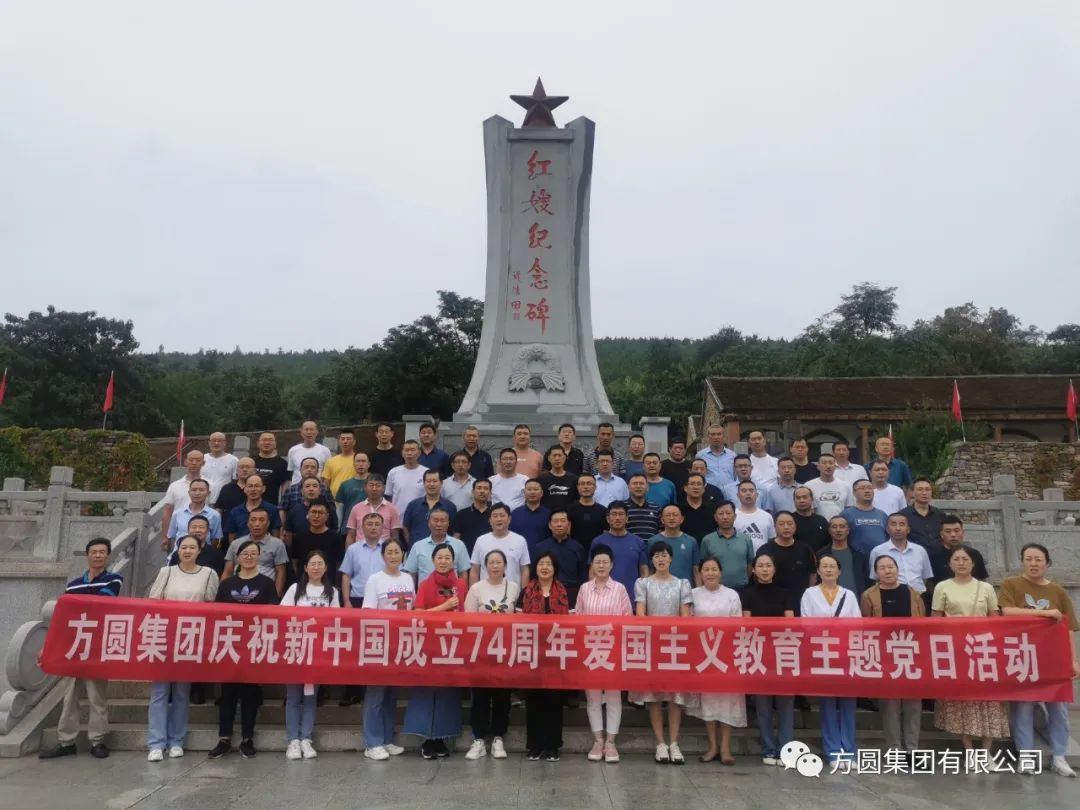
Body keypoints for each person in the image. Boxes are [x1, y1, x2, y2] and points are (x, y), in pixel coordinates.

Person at [998, 543, 1080, 778]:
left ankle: (1059, 756)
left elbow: (1068, 629)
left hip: (1053, 658)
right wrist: (1045, 613)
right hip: (1022, 656)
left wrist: (1073, 660)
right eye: (1029, 559)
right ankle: (1025, 757)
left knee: (1059, 709)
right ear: (1022, 561)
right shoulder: (1011, 585)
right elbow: (1007, 612)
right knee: (1023, 707)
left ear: (1047, 563)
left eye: (1038, 559)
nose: (1033, 563)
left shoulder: (1058, 592)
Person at [39, 538, 122, 760]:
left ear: (108, 556)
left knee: (97, 696)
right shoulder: (73, 584)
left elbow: (103, 604)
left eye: (102, 552)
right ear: (87, 555)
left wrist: (79, 605)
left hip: (97, 647)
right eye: (94, 552)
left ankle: (98, 741)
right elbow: (64, 616)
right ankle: (66, 741)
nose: (97, 555)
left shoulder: (114, 580)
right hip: (74, 647)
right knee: (69, 697)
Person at [145, 534, 219, 762]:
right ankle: (156, 743)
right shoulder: (166, 572)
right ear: (177, 550)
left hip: (190, 639)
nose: (187, 551)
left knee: (181, 692)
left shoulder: (208, 574)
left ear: (199, 551)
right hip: (164, 638)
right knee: (159, 693)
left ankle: (176, 740)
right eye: (183, 547)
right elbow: (153, 601)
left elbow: (210, 605)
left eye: (192, 548)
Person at [930, 545, 1010, 752]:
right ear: (950, 563)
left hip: (983, 650)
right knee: (963, 701)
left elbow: (996, 619)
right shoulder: (942, 587)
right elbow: (935, 621)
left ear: (973, 563)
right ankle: (969, 750)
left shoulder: (986, 588)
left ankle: (986, 752)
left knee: (988, 701)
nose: (961, 563)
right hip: (956, 651)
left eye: (966, 559)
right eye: (957, 559)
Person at [208, 539, 278, 760]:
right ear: (237, 557)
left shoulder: (266, 584)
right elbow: (217, 614)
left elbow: (273, 614)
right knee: (227, 694)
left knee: (249, 694)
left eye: (253, 553)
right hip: (230, 644)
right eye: (244, 553)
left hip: (254, 645)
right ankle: (224, 738)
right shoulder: (227, 584)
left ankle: (247, 738)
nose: (248, 557)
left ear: (259, 556)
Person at [631, 542, 693, 764]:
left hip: (675, 645)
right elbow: (640, 614)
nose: (661, 559)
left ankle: (674, 743)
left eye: (664, 555)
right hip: (652, 645)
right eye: (656, 556)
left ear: (671, 559)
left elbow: (685, 616)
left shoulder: (682, 584)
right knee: (654, 697)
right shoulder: (643, 583)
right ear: (652, 560)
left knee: (676, 697)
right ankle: (660, 743)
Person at [405, 544, 467, 758]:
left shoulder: (461, 584)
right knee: (427, 692)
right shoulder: (425, 584)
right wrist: (445, 607)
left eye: (447, 557)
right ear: (432, 561)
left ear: (453, 561)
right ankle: (426, 739)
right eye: (439, 557)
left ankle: (441, 738)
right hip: (429, 645)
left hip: (452, 646)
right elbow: (419, 613)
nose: (443, 561)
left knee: (448, 693)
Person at [860, 555, 925, 753]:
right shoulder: (869, 595)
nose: (887, 571)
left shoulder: (912, 593)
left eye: (891, 567)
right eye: (882, 567)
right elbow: (865, 625)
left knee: (913, 705)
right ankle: (895, 748)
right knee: (890, 706)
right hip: (884, 656)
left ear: (897, 569)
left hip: (910, 653)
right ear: (876, 572)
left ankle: (913, 748)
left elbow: (923, 621)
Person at [800, 556, 861, 762]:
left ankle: (849, 751)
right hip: (822, 653)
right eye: (824, 566)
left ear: (839, 571)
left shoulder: (849, 595)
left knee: (847, 704)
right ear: (818, 571)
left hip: (845, 653)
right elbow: (806, 623)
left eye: (832, 566)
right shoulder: (809, 594)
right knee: (827, 704)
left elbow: (857, 624)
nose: (828, 570)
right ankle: (833, 750)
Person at [281, 549, 340, 760]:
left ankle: (306, 738)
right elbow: (282, 616)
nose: (316, 567)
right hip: (296, 649)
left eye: (320, 564)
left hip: (318, 652)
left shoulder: (332, 592)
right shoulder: (295, 589)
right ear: (305, 567)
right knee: (294, 697)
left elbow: (336, 622)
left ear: (325, 568)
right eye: (312, 564)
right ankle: (292, 741)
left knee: (310, 697)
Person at [575, 544, 632, 763]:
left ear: (612, 565)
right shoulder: (584, 589)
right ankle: (597, 740)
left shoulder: (619, 589)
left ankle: (611, 742)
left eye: (605, 562)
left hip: (613, 650)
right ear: (592, 564)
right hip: (590, 650)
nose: (601, 566)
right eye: (597, 562)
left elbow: (627, 619)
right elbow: (578, 618)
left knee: (613, 696)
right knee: (593, 697)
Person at [464, 549, 521, 760]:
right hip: (481, 652)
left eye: (499, 562)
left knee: (502, 697)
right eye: (491, 562)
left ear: (505, 566)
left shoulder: (514, 588)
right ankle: (478, 739)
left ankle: (498, 737)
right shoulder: (476, 588)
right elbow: (468, 620)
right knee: (479, 697)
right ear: (485, 565)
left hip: (505, 652)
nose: (495, 566)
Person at [740, 552, 796, 765]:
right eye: (760, 565)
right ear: (753, 569)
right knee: (763, 706)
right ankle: (768, 749)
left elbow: (789, 621)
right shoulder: (747, 594)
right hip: (759, 652)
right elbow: (747, 622)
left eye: (768, 565)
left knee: (785, 705)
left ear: (774, 569)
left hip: (784, 651)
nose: (764, 569)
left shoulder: (785, 593)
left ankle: (787, 749)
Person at [687, 557, 744, 764]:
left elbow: (738, 624)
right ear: (700, 573)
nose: (710, 573)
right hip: (703, 654)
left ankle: (726, 748)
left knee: (727, 700)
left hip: (726, 653)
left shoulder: (731, 595)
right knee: (709, 700)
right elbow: (688, 623)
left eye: (714, 569)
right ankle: (712, 746)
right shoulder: (692, 595)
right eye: (706, 569)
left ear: (721, 572)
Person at [361, 537, 414, 760]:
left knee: (391, 695)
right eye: (390, 552)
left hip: (401, 644)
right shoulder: (375, 580)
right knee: (376, 694)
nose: (394, 556)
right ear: (383, 555)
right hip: (380, 643)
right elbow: (368, 612)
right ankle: (372, 743)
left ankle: (387, 738)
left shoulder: (409, 578)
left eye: (398, 551)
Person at [521, 550, 570, 761]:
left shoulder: (563, 591)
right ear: (536, 567)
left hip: (556, 652)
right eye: (541, 563)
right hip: (532, 651)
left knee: (554, 701)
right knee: (534, 700)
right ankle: (535, 744)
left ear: (554, 568)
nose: (544, 567)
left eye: (548, 564)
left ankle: (552, 745)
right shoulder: (527, 590)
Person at [222, 508, 288, 596]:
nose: (257, 524)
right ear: (248, 523)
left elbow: (280, 573)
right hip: (237, 591)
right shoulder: (236, 543)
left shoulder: (278, 544)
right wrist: (222, 593)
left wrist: (275, 597)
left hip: (264, 592)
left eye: (261, 520)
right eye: (253, 520)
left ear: (268, 523)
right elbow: (227, 571)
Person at [758, 512, 817, 610]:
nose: (786, 527)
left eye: (790, 524)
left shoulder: (805, 549)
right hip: (772, 600)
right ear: (775, 527)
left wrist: (808, 593)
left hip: (799, 600)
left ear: (795, 526)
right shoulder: (765, 550)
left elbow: (813, 573)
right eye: (781, 524)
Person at [592, 503, 648, 601]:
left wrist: (642, 596)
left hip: (632, 597)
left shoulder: (638, 542)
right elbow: (592, 572)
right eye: (614, 514)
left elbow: (644, 571)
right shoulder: (598, 542)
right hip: (604, 599)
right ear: (608, 519)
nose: (617, 518)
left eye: (621, 514)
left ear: (627, 518)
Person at [869, 514, 934, 597]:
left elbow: (925, 577)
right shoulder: (878, 551)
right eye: (893, 524)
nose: (898, 528)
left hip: (919, 596)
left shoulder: (920, 550)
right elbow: (876, 579)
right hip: (890, 596)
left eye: (902, 524)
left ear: (908, 529)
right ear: (887, 529)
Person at [403, 507, 470, 585]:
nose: (439, 524)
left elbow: (463, 573)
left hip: (451, 594)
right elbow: (412, 574)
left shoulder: (459, 545)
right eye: (435, 520)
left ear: (448, 523)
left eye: (442, 521)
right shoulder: (418, 546)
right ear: (429, 523)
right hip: (425, 594)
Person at [533, 510, 587, 605]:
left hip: (571, 593)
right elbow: (534, 574)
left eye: (562, 521)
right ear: (550, 525)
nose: (559, 524)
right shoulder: (540, 547)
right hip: (545, 593)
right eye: (555, 521)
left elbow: (582, 575)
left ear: (569, 524)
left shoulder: (578, 547)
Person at [469, 503, 530, 587]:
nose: (499, 519)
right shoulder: (481, 540)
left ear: (509, 519)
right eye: (495, 516)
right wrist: (473, 592)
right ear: (490, 520)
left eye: (502, 515)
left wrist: (524, 594)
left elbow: (524, 569)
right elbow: (475, 569)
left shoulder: (520, 540)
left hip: (512, 594)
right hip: (485, 594)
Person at [700, 501, 755, 589]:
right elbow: (703, 566)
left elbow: (750, 564)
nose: (725, 517)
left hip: (742, 588)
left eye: (728, 513)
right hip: (716, 589)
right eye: (721, 514)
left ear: (735, 516)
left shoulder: (746, 539)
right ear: (715, 517)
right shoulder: (707, 540)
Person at [164, 477, 223, 552]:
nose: (197, 493)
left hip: (203, 556)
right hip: (180, 555)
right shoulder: (177, 513)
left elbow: (216, 539)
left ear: (208, 493)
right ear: (189, 492)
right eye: (194, 490)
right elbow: (172, 537)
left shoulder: (214, 515)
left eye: (201, 490)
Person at [401, 469, 458, 546]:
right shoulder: (413, 505)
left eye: (434, 481)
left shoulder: (450, 506)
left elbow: (454, 530)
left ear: (441, 483)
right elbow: (406, 527)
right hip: (417, 550)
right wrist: (412, 544)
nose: (431, 484)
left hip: (441, 552)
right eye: (428, 481)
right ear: (424, 483)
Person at [341, 514, 387, 607]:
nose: (373, 527)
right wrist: (346, 601)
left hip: (383, 598)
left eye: (377, 524)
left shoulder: (389, 549)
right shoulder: (353, 549)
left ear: (382, 528)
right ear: (362, 527)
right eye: (369, 524)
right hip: (358, 598)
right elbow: (346, 576)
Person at [929, 514, 989, 586]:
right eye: (948, 531)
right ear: (941, 534)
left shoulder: (974, 554)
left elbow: (981, 580)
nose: (953, 535)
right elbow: (930, 583)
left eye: (956, 531)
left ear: (963, 532)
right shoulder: (933, 556)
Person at [290, 501, 343, 583]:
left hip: (328, 585)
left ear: (327, 516)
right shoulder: (299, 537)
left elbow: (338, 564)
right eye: (313, 512)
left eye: (321, 513)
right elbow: (295, 562)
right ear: (308, 514)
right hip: (303, 584)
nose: (316, 516)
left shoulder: (335, 538)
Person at [648, 504, 701, 584]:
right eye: (668, 515)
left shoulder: (691, 541)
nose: (671, 518)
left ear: (682, 519)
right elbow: (650, 569)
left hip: (685, 590)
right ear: (662, 520)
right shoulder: (653, 541)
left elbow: (696, 570)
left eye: (675, 515)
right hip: (660, 590)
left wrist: (698, 591)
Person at [159, 450, 207, 537]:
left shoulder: (211, 485)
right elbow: (167, 512)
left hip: (202, 534)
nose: (194, 463)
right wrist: (165, 536)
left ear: (203, 463)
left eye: (198, 460)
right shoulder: (174, 486)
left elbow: (214, 510)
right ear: (185, 462)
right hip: (178, 534)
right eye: (191, 460)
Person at [817, 516, 869, 595]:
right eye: (834, 527)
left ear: (848, 530)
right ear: (829, 531)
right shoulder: (820, 555)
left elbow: (867, 581)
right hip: (828, 601)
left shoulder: (859, 555)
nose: (838, 530)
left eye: (842, 527)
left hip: (855, 602)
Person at [278, 458, 335, 531]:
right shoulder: (291, 490)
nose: (309, 469)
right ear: (300, 469)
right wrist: (283, 528)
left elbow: (332, 510)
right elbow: (283, 509)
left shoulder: (324, 490)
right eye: (306, 467)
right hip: (295, 531)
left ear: (318, 471)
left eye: (313, 467)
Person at [223, 473, 281, 541]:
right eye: (250, 486)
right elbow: (232, 538)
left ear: (263, 489)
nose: (253, 489)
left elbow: (276, 536)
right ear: (245, 489)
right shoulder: (235, 512)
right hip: (242, 550)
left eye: (257, 486)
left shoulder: (273, 510)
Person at [839, 480, 889, 557]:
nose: (867, 491)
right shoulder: (846, 514)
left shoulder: (882, 515)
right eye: (862, 488)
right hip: (856, 559)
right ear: (854, 493)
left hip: (880, 559)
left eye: (870, 488)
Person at [345, 475, 400, 544]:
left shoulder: (392, 509)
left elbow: (394, 535)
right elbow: (351, 535)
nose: (374, 489)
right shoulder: (356, 508)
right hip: (360, 551)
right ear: (365, 488)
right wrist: (349, 554)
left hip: (383, 551)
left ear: (383, 488)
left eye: (378, 485)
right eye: (371, 485)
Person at [804, 453, 854, 521]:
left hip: (839, 526)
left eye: (831, 463)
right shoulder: (809, 486)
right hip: (818, 524)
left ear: (835, 466)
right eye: (824, 463)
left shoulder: (845, 485)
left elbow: (849, 508)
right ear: (818, 466)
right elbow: (809, 510)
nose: (828, 466)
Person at [898, 478, 946, 548]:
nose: (924, 493)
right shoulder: (903, 515)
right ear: (913, 493)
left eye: (927, 489)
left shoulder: (940, 515)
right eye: (920, 489)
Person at [566, 474, 608, 552]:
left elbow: (606, 535)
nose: (586, 487)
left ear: (595, 487)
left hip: (597, 553)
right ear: (577, 487)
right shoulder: (568, 510)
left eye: (589, 483)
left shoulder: (603, 511)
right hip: (574, 551)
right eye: (582, 484)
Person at [511, 478, 552, 554]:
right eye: (529, 489)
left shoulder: (549, 514)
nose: (532, 492)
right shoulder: (515, 514)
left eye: (536, 489)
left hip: (543, 559)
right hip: (519, 557)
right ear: (524, 492)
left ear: (542, 493)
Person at [732, 480, 775, 552]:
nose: (748, 493)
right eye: (744, 491)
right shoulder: (732, 516)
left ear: (757, 495)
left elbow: (771, 540)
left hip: (762, 560)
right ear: (738, 495)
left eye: (751, 490)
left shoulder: (767, 516)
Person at [454, 478, 493, 554]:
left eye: (485, 488)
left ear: (490, 493)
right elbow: (456, 539)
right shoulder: (461, 514)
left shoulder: (495, 515)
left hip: (490, 559)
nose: (482, 491)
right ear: (472, 491)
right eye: (479, 488)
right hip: (466, 558)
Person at [385, 440, 428, 508]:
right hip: (398, 516)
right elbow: (388, 496)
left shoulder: (426, 472)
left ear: (419, 453)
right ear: (402, 453)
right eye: (407, 450)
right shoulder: (393, 472)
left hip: (419, 515)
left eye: (413, 450)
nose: (409, 453)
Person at [335, 452, 371, 532]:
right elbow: (340, 508)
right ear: (354, 464)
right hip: (348, 528)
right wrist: (338, 527)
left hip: (370, 527)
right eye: (358, 461)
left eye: (363, 461)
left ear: (368, 464)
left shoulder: (375, 484)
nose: (361, 464)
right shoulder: (345, 484)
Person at [678, 473, 718, 542]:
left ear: (703, 488)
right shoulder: (678, 510)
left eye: (699, 484)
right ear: (685, 488)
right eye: (692, 484)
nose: (696, 487)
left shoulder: (713, 508)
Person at [253, 433, 290, 506]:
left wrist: (283, 506)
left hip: (271, 506)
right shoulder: (250, 461)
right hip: (249, 505)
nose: (267, 443)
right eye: (264, 440)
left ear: (275, 444)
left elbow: (285, 487)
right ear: (258, 443)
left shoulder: (282, 463)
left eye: (270, 440)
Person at [695, 424, 736, 489]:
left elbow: (735, 476)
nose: (716, 437)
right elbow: (697, 476)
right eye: (713, 434)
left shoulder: (732, 455)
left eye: (719, 434)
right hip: (709, 493)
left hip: (729, 493)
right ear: (708, 436)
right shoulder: (700, 456)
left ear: (724, 436)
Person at [537, 445, 579, 510]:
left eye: (560, 455)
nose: (557, 458)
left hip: (567, 517)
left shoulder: (574, 479)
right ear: (549, 458)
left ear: (565, 457)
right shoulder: (541, 479)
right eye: (554, 455)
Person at [320, 428, 358, 496]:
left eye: (348, 439)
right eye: (342, 439)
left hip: (355, 499)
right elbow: (326, 485)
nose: (345, 441)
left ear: (354, 441)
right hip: (335, 500)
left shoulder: (359, 460)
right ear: (339, 441)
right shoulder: (330, 461)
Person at [623, 474, 661, 539]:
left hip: (652, 548)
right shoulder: (622, 508)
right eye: (635, 484)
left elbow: (661, 532)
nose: (638, 486)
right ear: (628, 487)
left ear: (647, 487)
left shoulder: (656, 508)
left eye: (641, 483)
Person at [203, 434, 238, 500]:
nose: (216, 443)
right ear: (209, 443)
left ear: (225, 443)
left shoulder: (233, 460)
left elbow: (235, 480)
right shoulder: (202, 458)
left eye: (219, 441)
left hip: (223, 499)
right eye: (213, 440)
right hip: (203, 499)